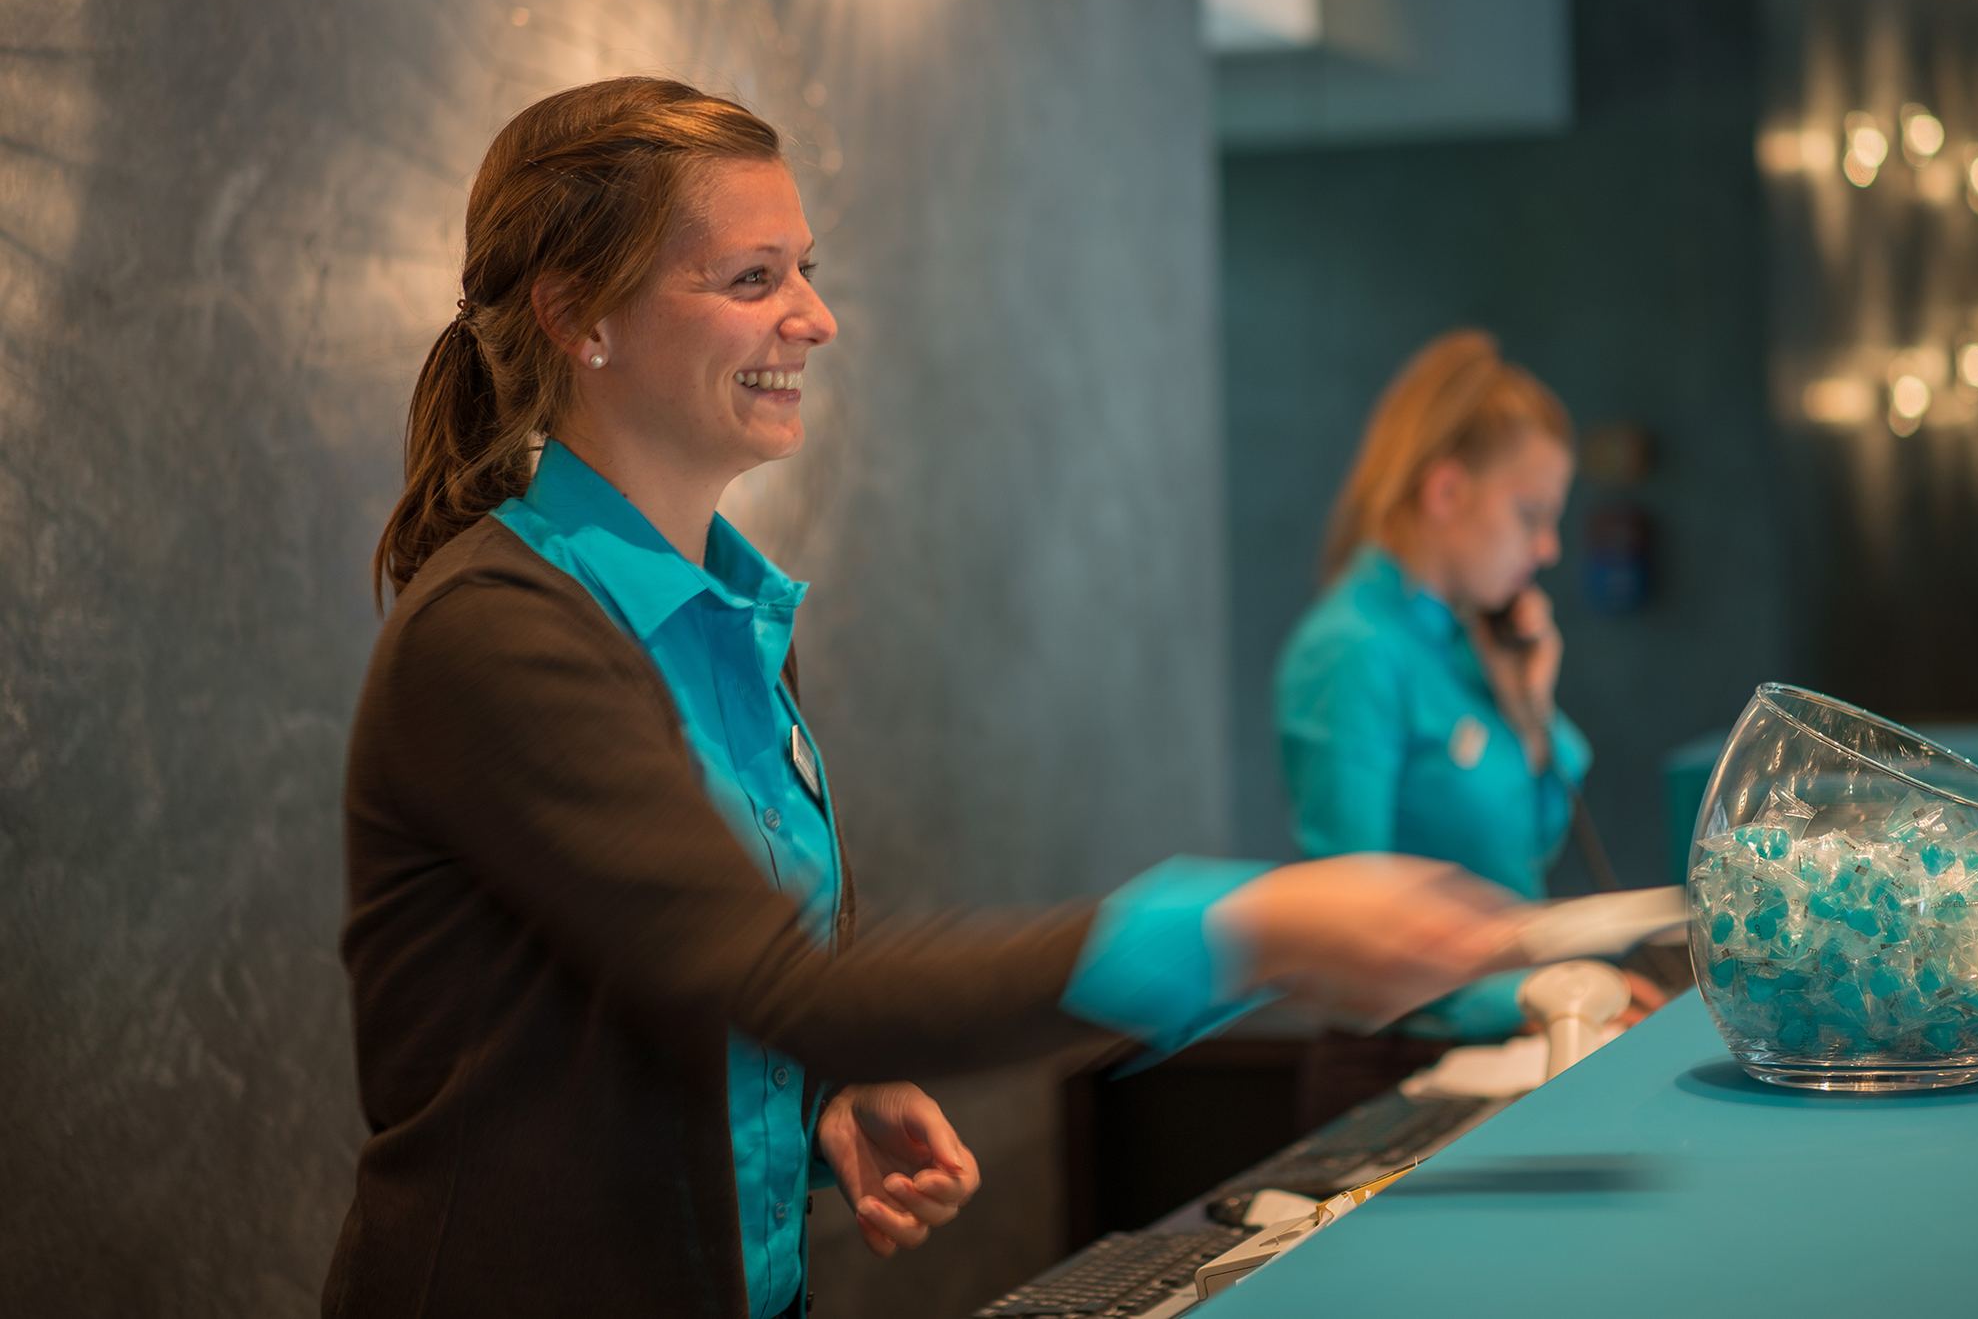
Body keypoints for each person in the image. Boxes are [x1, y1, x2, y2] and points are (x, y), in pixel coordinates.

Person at [328, 79, 1525, 1319]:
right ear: (579, 314)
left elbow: (672, 987)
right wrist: (1244, 927)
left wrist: (814, 1101)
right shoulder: (497, 632)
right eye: (753, 279)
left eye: (805, 271)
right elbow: (781, 984)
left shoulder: (732, 616)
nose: (816, 318)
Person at [1272, 331, 1662, 1043]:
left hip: (1508, 1039)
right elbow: (1348, 946)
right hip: (1402, 1067)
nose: (1548, 549)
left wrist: (1528, 712)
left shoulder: (1470, 645)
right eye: (1530, 515)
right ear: (1447, 491)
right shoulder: (1350, 652)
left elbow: (1529, 850)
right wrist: (1545, 996)